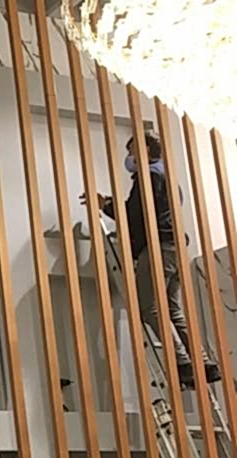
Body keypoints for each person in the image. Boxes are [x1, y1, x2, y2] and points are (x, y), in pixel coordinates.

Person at [84, 131, 219, 387]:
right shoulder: (168, 175)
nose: (129, 157)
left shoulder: (148, 176)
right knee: (171, 309)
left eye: (131, 150)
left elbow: (135, 214)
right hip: (176, 248)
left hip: (159, 247)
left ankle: (183, 363)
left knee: (148, 306)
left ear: (145, 149)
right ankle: (204, 363)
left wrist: (106, 206)